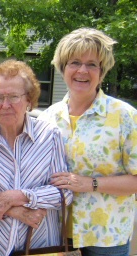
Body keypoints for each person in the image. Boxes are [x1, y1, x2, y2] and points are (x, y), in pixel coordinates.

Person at [38, 28, 137, 256]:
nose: (82, 70)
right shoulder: (47, 118)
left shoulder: (125, 116)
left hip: (106, 237)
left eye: (92, 64)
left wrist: (89, 183)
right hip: (54, 234)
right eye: (74, 62)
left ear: (102, 72)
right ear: (63, 67)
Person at [0, 59, 73, 256]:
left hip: (40, 249)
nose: (5, 105)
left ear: (29, 100)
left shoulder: (49, 136)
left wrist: (21, 197)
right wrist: (13, 210)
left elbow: (64, 193)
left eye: (14, 97)